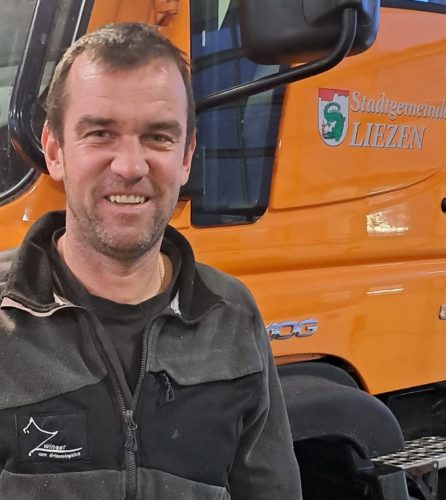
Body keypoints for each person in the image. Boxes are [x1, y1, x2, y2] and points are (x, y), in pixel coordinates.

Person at [0, 22, 302, 499]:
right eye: (100, 133)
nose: (130, 166)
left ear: (186, 157)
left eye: (158, 137)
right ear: (55, 151)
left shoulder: (231, 316)